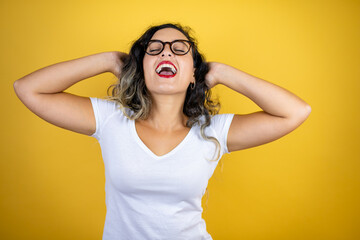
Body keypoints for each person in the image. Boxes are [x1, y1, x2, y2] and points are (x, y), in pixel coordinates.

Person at [13, 23, 311, 240]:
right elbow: (28, 89)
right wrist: (107, 60)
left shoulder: (213, 131)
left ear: (194, 73)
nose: (166, 53)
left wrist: (221, 72)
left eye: (180, 50)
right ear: (140, 69)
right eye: (153, 50)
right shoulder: (111, 120)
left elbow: (295, 112)